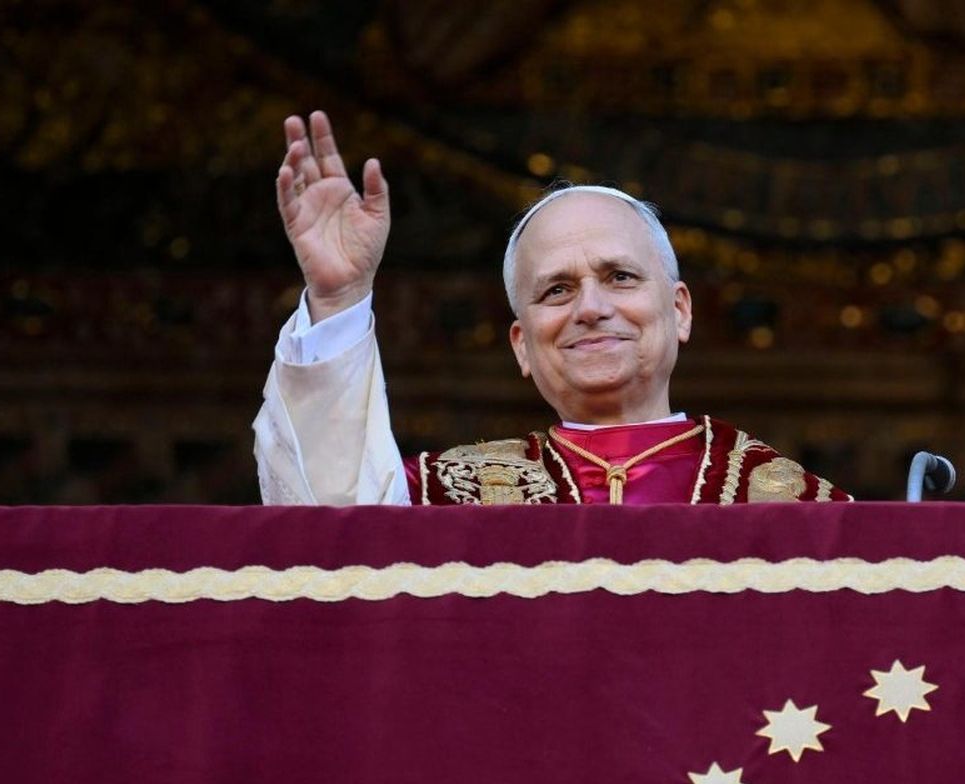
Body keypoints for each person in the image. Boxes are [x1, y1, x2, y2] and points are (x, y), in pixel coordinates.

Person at [253, 111, 849, 505]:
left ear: (681, 310)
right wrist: (339, 299)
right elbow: (327, 546)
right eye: (556, 290)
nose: (590, 308)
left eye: (620, 277)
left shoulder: (793, 506)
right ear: (521, 345)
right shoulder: (443, 498)